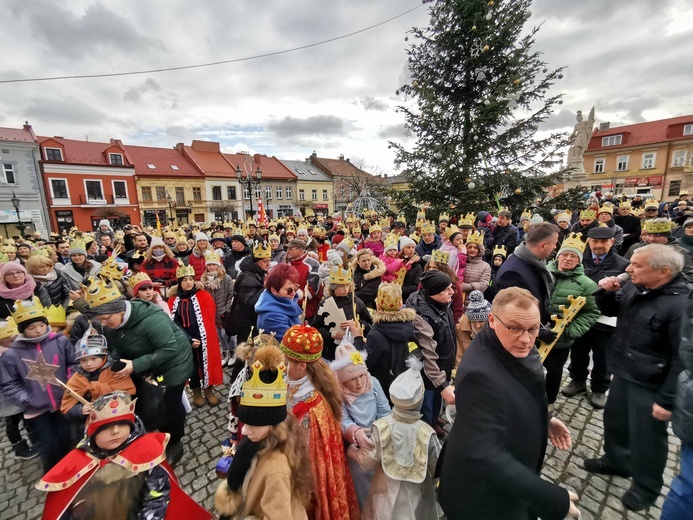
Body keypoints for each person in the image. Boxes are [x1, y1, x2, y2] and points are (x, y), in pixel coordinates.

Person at [438, 287, 580, 520]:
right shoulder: (479, 375)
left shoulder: (505, 344)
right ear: (492, 321)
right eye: (514, 328)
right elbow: (485, 453)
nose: (526, 340)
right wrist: (550, 499)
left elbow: (517, 394)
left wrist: (544, 419)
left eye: (533, 329)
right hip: (482, 496)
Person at [584, 244, 690, 511]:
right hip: (623, 370)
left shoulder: (681, 304)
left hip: (653, 382)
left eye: (637, 265)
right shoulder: (636, 286)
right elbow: (612, 311)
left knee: (647, 436)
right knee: (615, 419)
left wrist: (667, 400)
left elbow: (683, 358)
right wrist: (607, 295)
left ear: (663, 271)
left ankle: (647, 486)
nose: (628, 268)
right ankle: (617, 460)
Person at [39, 391, 214, 520]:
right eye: (106, 427)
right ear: (93, 433)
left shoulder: (146, 453)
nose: (115, 431)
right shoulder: (77, 463)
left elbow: (157, 493)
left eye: (122, 425)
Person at [76, 276, 193, 467]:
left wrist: (136, 365)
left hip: (174, 364)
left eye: (105, 319)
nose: (103, 324)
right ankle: (149, 433)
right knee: (148, 400)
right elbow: (116, 346)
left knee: (171, 402)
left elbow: (169, 348)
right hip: (145, 364)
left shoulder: (152, 318)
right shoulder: (110, 323)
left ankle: (174, 441)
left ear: (120, 310)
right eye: (100, 321)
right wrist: (110, 361)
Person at [214, 343, 313, 520]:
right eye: (247, 423)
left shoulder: (276, 470)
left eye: (254, 425)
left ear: (273, 425)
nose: (244, 430)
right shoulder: (256, 443)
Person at [280, 325, 360, 520]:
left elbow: (306, 453)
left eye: (287, 362)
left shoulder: (311, 408)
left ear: (302, 366)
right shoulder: (299, 380)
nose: (282, 366)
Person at [358, 356, 441, 520]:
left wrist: (355, 453)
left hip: (386, 491)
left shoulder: (381, 427)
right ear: (420, 398)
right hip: (419, 494)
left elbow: (369, 460)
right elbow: (436, 466)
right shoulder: (427, 433)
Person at [0, 298, 76, 471]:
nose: (38, 330)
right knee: (47, 444)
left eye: (41, 325)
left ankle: (71, 471)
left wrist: (71, 382)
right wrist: (28, 399)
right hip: (36, 409)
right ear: (22, 330)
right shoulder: (12, 354)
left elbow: (73, 363)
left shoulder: (60, 341)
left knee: (67, 438)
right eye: (31, 328)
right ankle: (52, 474)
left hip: (63, 402)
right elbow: (9, 385)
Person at [562, 225, 629, 408]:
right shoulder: (579, 261)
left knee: (603, 357)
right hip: (580, 318)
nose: (599, 245)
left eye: (603, 241)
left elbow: (625, 295)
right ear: (588, 242)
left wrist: (609, 294)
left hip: (606, 321)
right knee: (578, 352)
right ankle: (577, 381)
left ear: (612, 242)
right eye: (595, 241)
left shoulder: (622, 265)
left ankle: (599, 388)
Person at [331, 340, 391, 507]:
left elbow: (385, 411)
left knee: (382, 481)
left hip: (378, 439)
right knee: (362, 484)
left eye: (361, 375)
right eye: (352, 379)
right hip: (356, 447)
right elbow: (342, 419)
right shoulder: (339, 393)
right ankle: (365, 509)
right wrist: (355, 432)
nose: (358, 382)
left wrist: (381, 431)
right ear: (342, 381)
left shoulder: (373, 384)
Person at [543, 233, 600, 409]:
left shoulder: (587, 284)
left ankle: (548, 403)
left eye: (573, 256)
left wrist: (572, 331)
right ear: (558, 256)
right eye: (565, 255)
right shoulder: (543, 273)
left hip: (560, 339)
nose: (568, 259)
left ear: (579, 261)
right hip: (535, 333)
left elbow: (592, 311)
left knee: (553, 372)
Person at [405, 270, 456, 428]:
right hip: (430, 376)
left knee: (437, 403)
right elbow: (428, 355)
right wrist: (443, 385)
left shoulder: (441, 303)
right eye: (446, 289)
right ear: (433, 293)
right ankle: (428, 430)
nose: (452, 292)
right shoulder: (422, 318)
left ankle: (435, 420)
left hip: (443, 368)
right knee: (427, 407)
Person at [168, 264, 223, 408]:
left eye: (191, 279)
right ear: (179, 282)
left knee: (206, 364)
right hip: (185, 340)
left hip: (204, 339)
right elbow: (174, 323)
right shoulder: (173, 300)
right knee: (191, 368)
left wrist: (201, 337)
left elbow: (209, 319)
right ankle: (196, 392)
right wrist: (189, 339)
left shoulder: (203, 295)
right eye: (185, 280)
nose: (188, 282)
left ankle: (209, 390)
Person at [60, 327, 136, 424]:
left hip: (119, 417)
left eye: (93, 359)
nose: (89, 364)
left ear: (103, 357)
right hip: (92, 423)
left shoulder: (115, 371)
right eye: (84, 360)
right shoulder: (77, 378)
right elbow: (67, 406)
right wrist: (79, 410)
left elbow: (128, 394)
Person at [494, 222, 559, 326]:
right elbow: (512, 315)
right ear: (542, 246)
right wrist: (540, 332)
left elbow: (532, 300)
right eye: (554, 243)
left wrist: (548, 315)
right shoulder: (512, 273)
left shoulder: (535, 263)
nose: (555, 247)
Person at [364, 283, 419, 405]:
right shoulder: (408, 325)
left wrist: (358, 339)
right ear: (400, 304)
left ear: (378, 306)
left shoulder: (375, 335)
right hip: (402, 384)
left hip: (383, 389)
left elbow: (367, 364)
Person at [0, 317, 39, 460]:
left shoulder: (13, 350)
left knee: (26, 417)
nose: (14, 342)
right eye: (10, 340)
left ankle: (36, 441)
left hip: (19, 391)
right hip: (6, 397)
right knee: (12, 421)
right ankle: (19, 447)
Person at [314, 265, 371, 361]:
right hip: (331, 351)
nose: (345, 289)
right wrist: (331, 335)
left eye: (347, 285)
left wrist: (357, 324)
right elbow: (316, 327)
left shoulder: (357, 302)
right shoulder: (325, 304)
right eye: (341, 286)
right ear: (333, 287)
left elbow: (369, 324)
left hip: (353, 349)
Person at [224, 242, 272, 343]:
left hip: (251, 322)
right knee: (245, 354)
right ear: (256, 262)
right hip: (247, 325)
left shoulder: (259, 273)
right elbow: (251, 302)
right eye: (264, 261)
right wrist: (266, 287)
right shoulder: (248, 278)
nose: (268, 264)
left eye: (269, 260)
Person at [255, 263, 303, 341]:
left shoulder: (286, 304)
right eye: (289, 290)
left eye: (296, 288)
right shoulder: (271, 316)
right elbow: (292, 342)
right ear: (274, 290)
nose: (294, 293)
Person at [285, 239, 321, 322]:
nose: (288, 251)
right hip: (290, 308)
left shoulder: (313, 264)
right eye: (288, 249)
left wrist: (294, 302)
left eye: (291, 249)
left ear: (300, 250)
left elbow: (312, 290)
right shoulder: (288, 264)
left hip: (308, 312)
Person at [455, 290, 491, 367]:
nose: (477, 326)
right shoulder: (460, 329)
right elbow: (459, 357)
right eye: (473, 321)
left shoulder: (497, 330)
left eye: (481, 321)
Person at [460, 231, 491, 300]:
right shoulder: (460, 262)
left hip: (474, 301)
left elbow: (484, 284)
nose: (472, 250)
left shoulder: (485, 266)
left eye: (475, 248)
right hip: (458, 298)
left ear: (480, 250)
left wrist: (465, 287)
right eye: (470, 247)